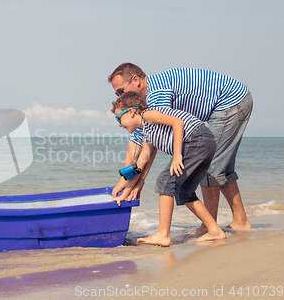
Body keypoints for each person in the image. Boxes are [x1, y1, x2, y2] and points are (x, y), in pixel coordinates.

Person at [108, 63, 253, 234]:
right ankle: (240, 220)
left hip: (230, 102)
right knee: (220, 167)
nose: (119, 96)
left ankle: (210, 227)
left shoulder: (156, 94)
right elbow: (145, 139)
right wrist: (129, 181)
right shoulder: (147, 101)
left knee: (210, 168)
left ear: (136, 80)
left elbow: (149, 142)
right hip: (230, 103)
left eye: (120, 91)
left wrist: (139, 180)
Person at [111, 92, 226, 246]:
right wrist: (123, 194)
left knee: (164, 182)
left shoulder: (148, 115)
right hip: (205, 143)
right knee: (184, 192)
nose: (119, 124)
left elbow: (177, 122)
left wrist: (177, 154)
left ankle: (163, 234)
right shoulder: (148, 135)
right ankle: (215, 231)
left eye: (119, 118)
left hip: (196, 139)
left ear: (131, 112)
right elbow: (139, 167)